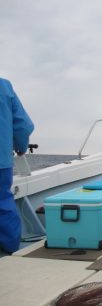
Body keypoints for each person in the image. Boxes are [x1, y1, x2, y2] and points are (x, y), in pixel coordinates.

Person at [0, 78, 34, 254]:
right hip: (1, 162)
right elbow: (23, 124)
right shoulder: (3, 86)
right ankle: (9, 252)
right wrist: (21, 147)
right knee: (2, 204)